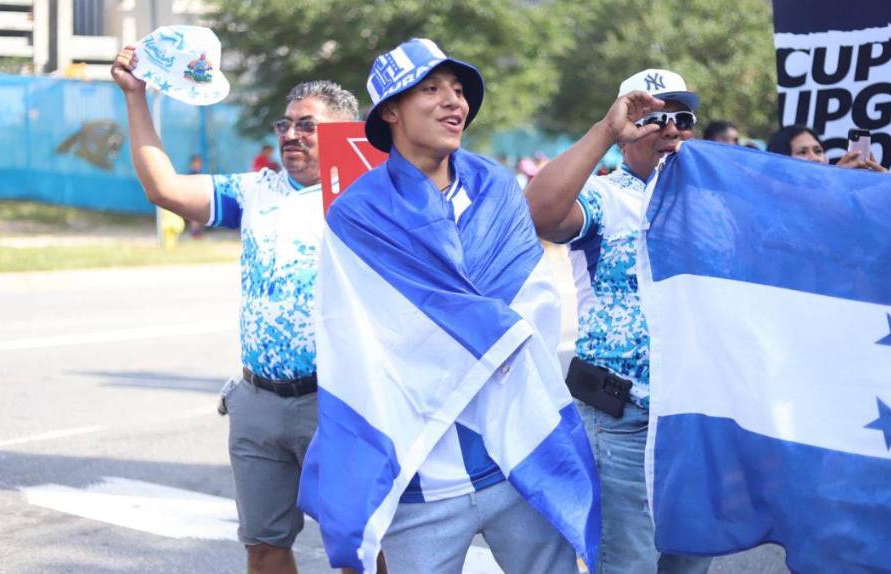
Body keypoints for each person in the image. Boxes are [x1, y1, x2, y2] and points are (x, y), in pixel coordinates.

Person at [301, 38, 600, 574]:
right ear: (390, 110)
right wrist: (472, 325)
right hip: (422, 478)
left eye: (459, 90)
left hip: (513, 459)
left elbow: (534, 300)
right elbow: (356, 339)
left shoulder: (496, 189)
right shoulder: (357, 214)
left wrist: (454, 328)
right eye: (431, 89)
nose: (453, 101)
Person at [111, 47, 364, 574]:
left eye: (308, 126)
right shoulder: (256, 190)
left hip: (338, 401)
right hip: (257, 402)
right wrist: (136, 97)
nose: (291, 135)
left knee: (360, 548)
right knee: (264, 547)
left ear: (344, 135)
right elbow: (164, 188)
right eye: (285, 124)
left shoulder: (366, 200)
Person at [525, 68, 714, 574]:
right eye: (653, 119)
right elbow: (539, 214)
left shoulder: (713, 206)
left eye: (682, 119)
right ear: (626, 131)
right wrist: (605, 130)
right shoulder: (604, 197)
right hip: (623, 423)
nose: (671, 129)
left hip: (692, 423)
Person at [767, 125, 886, 171]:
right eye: (802, 152)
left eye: (818, 151)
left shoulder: (850, 194)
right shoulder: (776, 202)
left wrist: (884, 184)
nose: (816, 158)